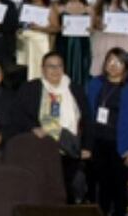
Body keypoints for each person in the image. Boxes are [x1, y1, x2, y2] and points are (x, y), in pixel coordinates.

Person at [11, 51, 94, 203]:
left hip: (70, 148)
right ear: (42, 69)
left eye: (59, 66)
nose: (55, 70)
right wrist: (33, 128)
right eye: (51, 66)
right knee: (44, 189)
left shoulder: (75, 89)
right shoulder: (31, 88)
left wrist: (87, 146)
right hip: (41, 148)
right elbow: (17, 114)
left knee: (67, 189)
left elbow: (88, 119)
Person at [87, 48, 128, 216]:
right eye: (110, 61)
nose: (113, 66)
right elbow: (86, 114)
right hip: (98, 142)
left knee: (119, 187)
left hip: (121, 144)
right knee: (102, 185)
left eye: (118, 62)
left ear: (125, 66)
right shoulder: (95, 83)